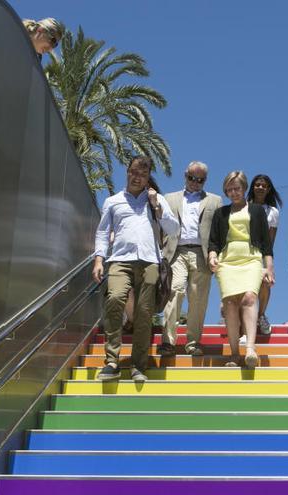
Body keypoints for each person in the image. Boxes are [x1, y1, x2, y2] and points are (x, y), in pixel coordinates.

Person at [91, 156, 178, 382]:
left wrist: (157, 205)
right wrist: (99, 260)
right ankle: (112, 361)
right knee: (115, 299)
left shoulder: (156, 199)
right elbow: (102, 232)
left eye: (143, 173)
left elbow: (172, 228)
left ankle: (139, 365)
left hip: (150, 261)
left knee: (144, 313)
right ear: (127, 172)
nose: (137, 177)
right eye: (134, 172)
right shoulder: (113, 201)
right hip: (120, 259)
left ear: (148, 177)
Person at [208, 171, 274, 368]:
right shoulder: (220, 213)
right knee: (229, 302)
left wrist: (268, 267)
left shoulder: (257, 210)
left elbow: (266, 243)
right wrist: (212, 255)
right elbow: (213, 241)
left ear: (244, 188)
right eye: (229, 189)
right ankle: (234, 353)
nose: (233, 192)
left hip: (251, 259)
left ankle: (251, 349)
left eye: (237, 188)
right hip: (227, 261)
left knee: (249, 298)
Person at [160, 162, 223, 357]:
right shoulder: (169, 198)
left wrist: (217, 254)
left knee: (198, 298)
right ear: (185, 175)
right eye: (192, 178)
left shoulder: (215, 200)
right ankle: (168, 341)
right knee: (174, 290)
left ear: (205, 180)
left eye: (200, 180)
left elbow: (219, 231)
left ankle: (193, 342)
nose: (195, 182)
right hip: (175, 252)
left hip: (201, 254)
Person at [247, 174, 282, 335]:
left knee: (266, 284)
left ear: (268, 190)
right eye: (257, 185)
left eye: (264, 185)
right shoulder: (243, 207)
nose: (260, 188)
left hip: (261, 255)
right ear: (252, 187)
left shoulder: (273, 212)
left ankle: (260, 315)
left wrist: (268, 262)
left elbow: (271, 240)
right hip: (242, 254)